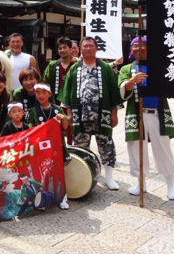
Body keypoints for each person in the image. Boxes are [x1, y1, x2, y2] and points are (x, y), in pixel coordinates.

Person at [119, 37, 174, 200]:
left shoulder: (158, 67)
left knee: (163, 147)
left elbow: (170, 90)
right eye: (134, 46)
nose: (138, 48)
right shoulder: (127, 69)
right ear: (131, 51)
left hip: (157, 114)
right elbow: (123, 89)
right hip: (136, 115)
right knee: (136, 149)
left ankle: (170, 183)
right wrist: (132, 80)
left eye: (142, 45)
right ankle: (140, 182)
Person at [58, 36, 122, 190]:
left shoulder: (106, 68)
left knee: (106, 144)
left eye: (91, 46)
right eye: (85, 46)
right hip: (80, 114)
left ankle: (109, 177)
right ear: (80, 49)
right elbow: (67, 92)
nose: (88, 48)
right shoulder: (74, 68)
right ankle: (83, 176)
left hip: (103, 114)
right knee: (80, 147)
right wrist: (69, 114)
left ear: (96, 48)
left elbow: (114, 92)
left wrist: (114, 114)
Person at [28, 81, 71, 210]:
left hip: (57, 146)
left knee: (58, 172)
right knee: (42, 174)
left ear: (49, 94)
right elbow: (30, 131)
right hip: (41, 147)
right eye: (38, 93)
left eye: (44, 92)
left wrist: (63, 118)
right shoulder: (33, 111)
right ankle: (42, 199)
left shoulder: (56, 109)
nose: (41, 95)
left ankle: (62, 197)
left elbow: (65, 127)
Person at [42, 36, 74, 143]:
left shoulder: (76, 65)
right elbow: (45, 84)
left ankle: (72, 150)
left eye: (65, 47)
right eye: (60, 48)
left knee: (72, 129)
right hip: (56, 102)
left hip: (72, 103)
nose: (62, 50)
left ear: (70, 49)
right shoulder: (52, 65)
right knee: (55, 130)